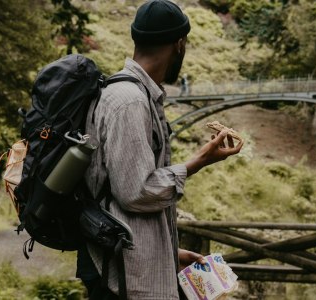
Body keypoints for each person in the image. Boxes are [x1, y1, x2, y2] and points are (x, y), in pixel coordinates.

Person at [76, 0, 244, 299]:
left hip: (128, 263)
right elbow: (136, 191)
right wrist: (198, 161)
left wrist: (170, 253)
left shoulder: (136, 95)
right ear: (179, 44)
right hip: (120, 278)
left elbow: (116, 191)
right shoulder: (129, 101)